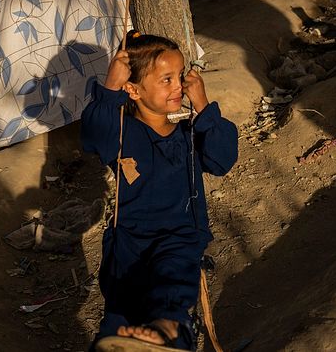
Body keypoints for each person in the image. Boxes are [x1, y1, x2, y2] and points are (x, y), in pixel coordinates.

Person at [83, 32, 238, 350]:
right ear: (133, 89)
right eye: (166, 79)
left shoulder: (190, 134)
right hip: (127, 244)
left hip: (179, 239)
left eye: (180, 76)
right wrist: (110, 88)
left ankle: (168, 332)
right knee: (118, 319)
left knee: (170, 297)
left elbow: (222, 160)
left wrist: (203, 107)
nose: (178, 86)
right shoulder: (121, 134)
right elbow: (93, 135)